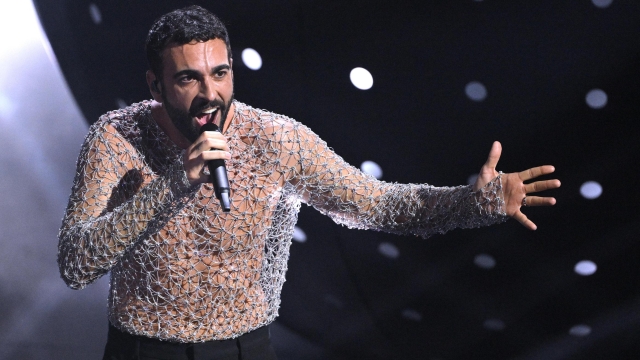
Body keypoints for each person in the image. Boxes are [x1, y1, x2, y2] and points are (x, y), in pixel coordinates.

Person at [57, 5, 560, 360]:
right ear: (155, 84)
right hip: (142, 351)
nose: (210, 93)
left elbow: (376, 205)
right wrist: (173, 184)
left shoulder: (278, 140)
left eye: (221, 73)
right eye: (188, 78)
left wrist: (471, 203)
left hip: (243, 349)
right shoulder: (116, 138)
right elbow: (76, 263)